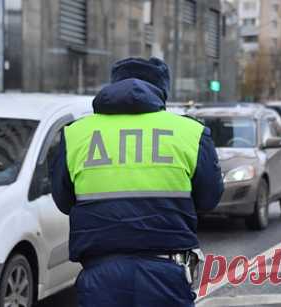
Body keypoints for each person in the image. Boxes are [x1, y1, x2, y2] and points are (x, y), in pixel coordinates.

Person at [51, 57, 223, 307]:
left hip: (100, 276)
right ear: (162, 90)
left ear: (113, 85)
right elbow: (209, 198)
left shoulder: (76, 133)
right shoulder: (190, 132)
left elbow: (63, 200)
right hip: (166, 273)